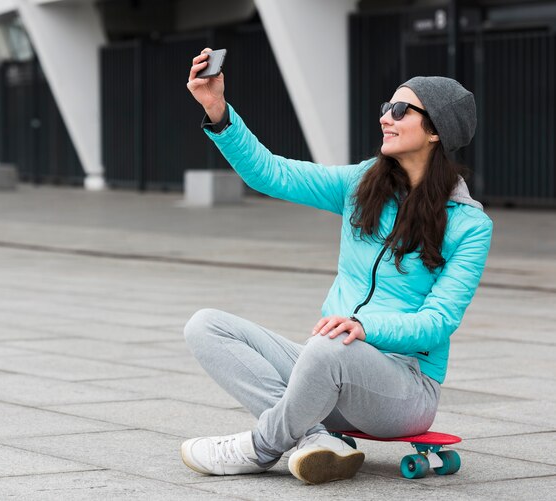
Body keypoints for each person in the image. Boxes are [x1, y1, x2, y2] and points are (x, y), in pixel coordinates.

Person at [180, 48, 492, 485]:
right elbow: (272, 174)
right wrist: (218, 111)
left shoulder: (469, 226)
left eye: (401, 109)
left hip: (403, 388)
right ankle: (311, 437)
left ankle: (257, 447)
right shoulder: (362, 184)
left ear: (437, 131)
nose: (386, 116)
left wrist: (366, 329)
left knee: (328, 346)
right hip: (332, 365)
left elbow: (437, 323)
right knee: (206, 325)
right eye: (387, 107)